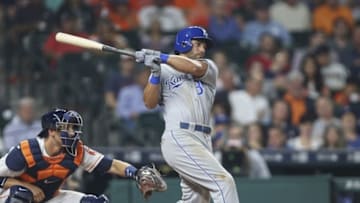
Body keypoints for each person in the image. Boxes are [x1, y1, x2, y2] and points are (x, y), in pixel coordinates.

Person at [136, 26, 239, 202]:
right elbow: (149, 103)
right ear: (183, 43)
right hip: (179, 136)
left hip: (203, 139)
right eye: (198, 44)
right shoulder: (164, 70)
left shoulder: (209, 66)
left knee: (197, 199)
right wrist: (154, 74)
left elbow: (195, 69)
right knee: (224, 182)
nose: (202, 49)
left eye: (204, 46)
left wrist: (163, 57)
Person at [0, 109, 151, 203]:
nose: (72, 132)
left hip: (49, 197)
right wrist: (28, 187)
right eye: (66, 128)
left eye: (73, 128)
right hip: (12, 196)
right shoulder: (27, 151)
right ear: (51, 131)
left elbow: (110, 165)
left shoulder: (76, 150)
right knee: (20, 196)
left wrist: (136, 173)